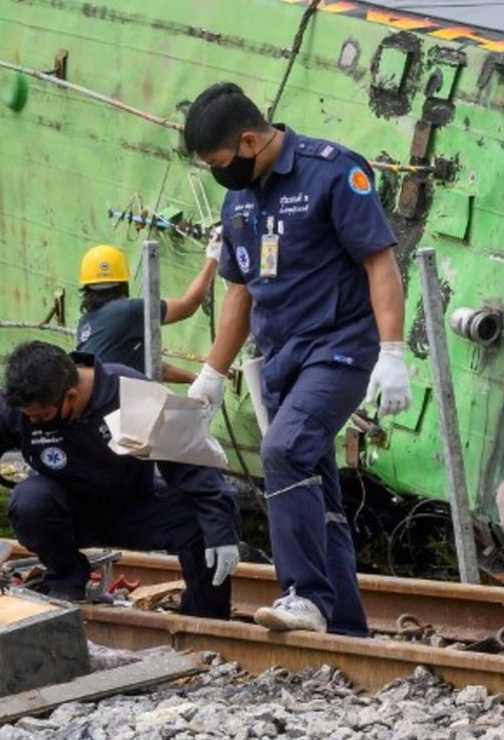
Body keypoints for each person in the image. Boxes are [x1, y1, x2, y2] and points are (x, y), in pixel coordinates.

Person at [181, 83, 409, 636]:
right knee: (316, 490)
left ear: (250, 140)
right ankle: (345, 626)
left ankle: (303, 594)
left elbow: (379, 262)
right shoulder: (239, 200)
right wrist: (212, 373)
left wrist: (393, 351)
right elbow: (240, 291)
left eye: (219, 162)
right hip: (281, 361)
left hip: (340, 348)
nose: (219, 174)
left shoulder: (332, 172)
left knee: (283, 451)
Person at [0, 341, 240, 616]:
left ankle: (205, 619)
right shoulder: (19, 406)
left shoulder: (132, 395)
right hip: (67, 511)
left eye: (41, 417)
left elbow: (191, 466)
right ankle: (66, 584)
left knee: (199, 521)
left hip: (134, 505)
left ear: (71, 396)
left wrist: (222, 531)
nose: (31, 423)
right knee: (29, 501)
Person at [75, 237, 222, 383]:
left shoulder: (86, 323)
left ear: (86, 288)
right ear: (123, 283)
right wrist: (213, 259)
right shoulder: (127, 311)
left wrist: (195, 380)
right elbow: (188, 306)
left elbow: (154, 368)